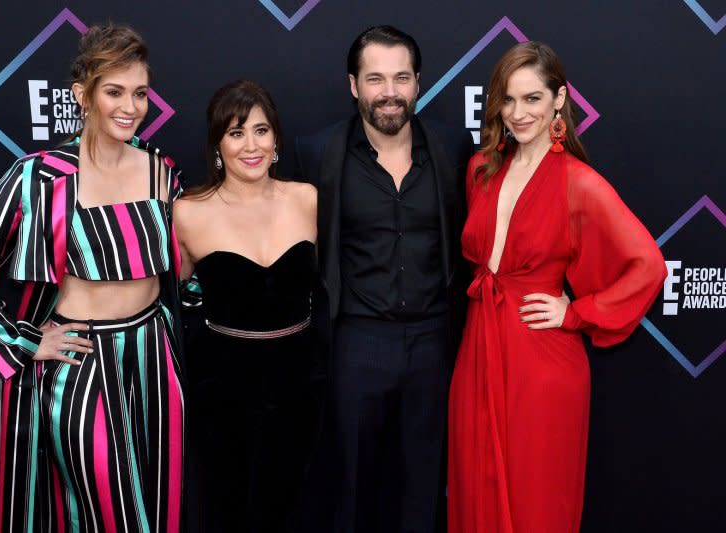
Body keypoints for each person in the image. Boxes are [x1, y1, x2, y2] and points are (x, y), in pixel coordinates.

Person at [0, 25, 185, 531]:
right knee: (105, 513)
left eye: (139, 93)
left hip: (154, 358)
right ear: (82, 95)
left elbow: (189, 269)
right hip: (82, 365)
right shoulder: (41, 174)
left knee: (155, 509)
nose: (130, 107)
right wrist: (23, 342)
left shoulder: (162, 170)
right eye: (114, 92)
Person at [447, 41, 666, 533]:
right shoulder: (482, 169)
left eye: (532, 99)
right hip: (478, 350)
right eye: (508, 99)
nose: (518, 113)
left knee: (537, 500)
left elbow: (648, 264)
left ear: (559, 100)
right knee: (474, 488)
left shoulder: (578, 182)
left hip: (542, 363)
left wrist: (576, 312)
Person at [295, 25, 474, 532]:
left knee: (422, 486)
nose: (389, 92)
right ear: (354, 85)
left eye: (401, 78)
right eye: (375, 79)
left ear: (419, 83)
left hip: (433, 343)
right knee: (349, 486)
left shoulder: (450, 148)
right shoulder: (317, 153)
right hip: (356, 342)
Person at [174, 80, 320, 533]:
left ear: (276, 138)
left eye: (261, 130)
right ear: (218, 144)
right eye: (236, 133)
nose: (251, 145)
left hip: (302, 382)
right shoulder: (188, 211)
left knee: (295, 505)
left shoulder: (308, 198)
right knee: (227, 506)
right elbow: (167, 297)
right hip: (223, 387)